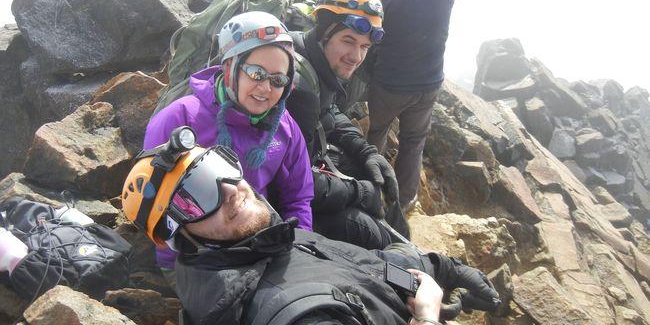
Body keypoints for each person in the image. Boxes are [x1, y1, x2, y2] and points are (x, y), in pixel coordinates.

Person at [121, 135, 501, 324]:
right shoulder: (293, 312)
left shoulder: (264, 242)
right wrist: (428, 316)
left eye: (218, 169)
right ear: (180, 237)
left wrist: (442, 267)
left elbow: (361, 266)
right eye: (197, 196)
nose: (230, 191)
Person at [142, 11, 314, 287]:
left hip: (261, 241)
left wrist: (299, 251)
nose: (266, 88)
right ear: (229, 68)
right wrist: (178, 271)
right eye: (257, 73)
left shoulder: (285, 127)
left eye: (278, 80)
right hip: (196, 257)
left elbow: (297, 198)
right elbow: (155, 207)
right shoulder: (180, 119)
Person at [286, 0, 409, 250]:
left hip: (308, 164)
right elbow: (294, 184)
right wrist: (361, 193)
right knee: (373, 236)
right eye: (348, 41)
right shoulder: (298, 88)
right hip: (279, 198)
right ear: (323, 32)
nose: (356, 56)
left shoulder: (312, 57)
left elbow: (329, 110)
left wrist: (367, 153)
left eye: (365, 46)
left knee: (376, 176)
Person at [367, 0, 457, 210]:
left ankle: (371, 191)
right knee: (414, 140)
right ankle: (404, 201)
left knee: (377, 132)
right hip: (430, 79)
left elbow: (369, 38)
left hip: (391, 82)